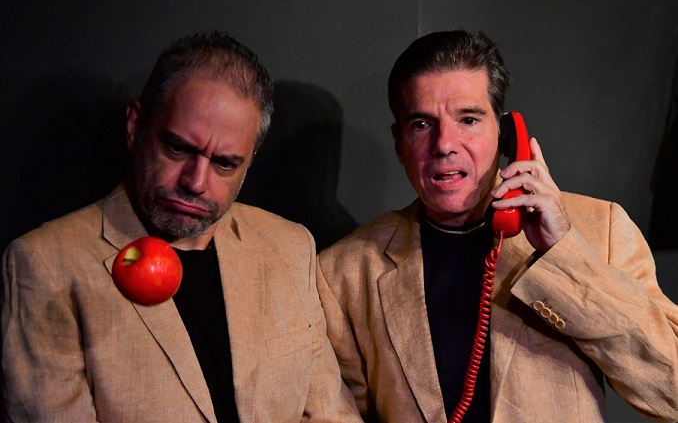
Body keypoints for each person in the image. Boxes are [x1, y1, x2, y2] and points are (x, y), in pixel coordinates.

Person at [316, 30, 678, 422]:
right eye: (421, 124)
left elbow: (671, 393)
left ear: (504, 135)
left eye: (468, 119)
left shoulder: (600, 229)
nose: (444, 144)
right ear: (399, 142)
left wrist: (565, 253)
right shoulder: (343, 272)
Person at [1, 31, 361, 422]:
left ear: (249, 160)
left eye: (225, 163)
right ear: (135, 126)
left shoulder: (291, 247)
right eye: (177, 148)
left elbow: (332, 414)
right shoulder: (46, 265)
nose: (196, 182)